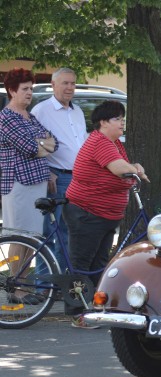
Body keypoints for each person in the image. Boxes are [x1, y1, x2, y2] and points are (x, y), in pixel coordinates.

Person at [62, 100, 148, 328]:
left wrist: (134, 167)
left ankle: (95, 306)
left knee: (99, 263)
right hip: (87, 212)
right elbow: (119, 168)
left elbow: (122, 166)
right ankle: (76, 312)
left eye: (122, 118)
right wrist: (135, 168)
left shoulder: (115, 143)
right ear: (103, 122)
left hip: (105, 215)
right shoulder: (101, 142)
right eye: (117, 119)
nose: (122, 123)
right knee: (82, 263)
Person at [0, 68, 58, 305]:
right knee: (18, 235)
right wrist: (42, 145)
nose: (29, 93)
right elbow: (30, 147)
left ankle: (24, 283)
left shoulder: (29, 116)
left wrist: (42, 145)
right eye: (25, 89)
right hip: (18, 183)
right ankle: (16, 286)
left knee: (32, 237)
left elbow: (55, 143)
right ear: (12, 90)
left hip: (37, 182)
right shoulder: (7, 117)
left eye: (31, 89)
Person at [31, 68, 88, 270]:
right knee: (50, 232)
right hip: (57, 178)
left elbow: (81, 143)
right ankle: (44, 284)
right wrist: (46, 171)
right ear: (53, 85)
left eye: (73, 83)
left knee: (71, 232)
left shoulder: (78, 111)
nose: (70, 87)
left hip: (79, 178)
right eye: (65, 83)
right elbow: (34, 148)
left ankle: (62, 281)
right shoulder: (41, 110)